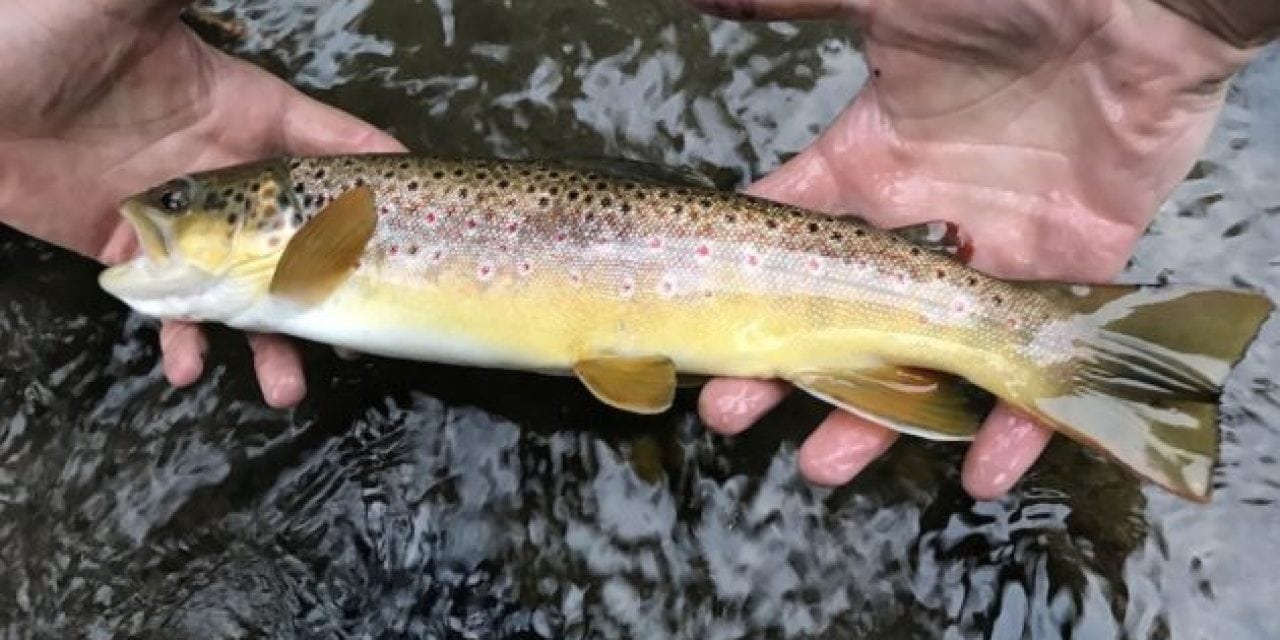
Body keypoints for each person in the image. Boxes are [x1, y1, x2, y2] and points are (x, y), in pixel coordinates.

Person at [0, 0, 1271, 500]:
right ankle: (1065, 347)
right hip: (732, 293)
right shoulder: (308, 245)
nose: (152, 221)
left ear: (275, 215)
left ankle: (1058, 346)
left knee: (831, 361)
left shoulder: (317, 244)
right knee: (798, 364)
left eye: (185, 202)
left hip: (728, 287)